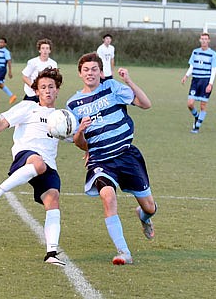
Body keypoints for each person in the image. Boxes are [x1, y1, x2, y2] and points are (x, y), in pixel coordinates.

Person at [0, 67, 66, 267]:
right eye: (43, 87)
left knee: (53, 199)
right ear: (36, 91)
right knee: (37, 163)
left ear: (57, 90)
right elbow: (3, 123)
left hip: (49, 163)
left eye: (51, 87)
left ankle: (51, 252)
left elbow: (76, 139)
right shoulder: (27, 108)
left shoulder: (63, 116)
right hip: (26, 154)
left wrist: (82, 134)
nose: (47, 90)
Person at [66, 53, 156, 266]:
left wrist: (129, 81)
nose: (90, 73)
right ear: (80, 74)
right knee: (107, 197)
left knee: (149, 207)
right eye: (86, 70)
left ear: (101, 72)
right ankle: (123, 252)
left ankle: (144, 217)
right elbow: (80, 143)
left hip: (126, 156)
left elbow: (146, 104)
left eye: (94, 69)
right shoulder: (73, 104)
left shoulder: (113, 88)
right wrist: (80, 131)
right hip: (100, 161)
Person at [181, 33, 216, 134]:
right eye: (202, 39)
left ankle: (196, 127)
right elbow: (192, 66)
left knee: (203, 105)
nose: (204, 41)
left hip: (205, 81)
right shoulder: (195, 52)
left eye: (206, 39)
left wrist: (210, 84)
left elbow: (214, 69)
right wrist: (186, 76)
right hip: (195, 80)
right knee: (190, 104)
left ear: (209, 41)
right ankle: (197, 117)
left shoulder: (213, 54)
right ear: (199, 40)